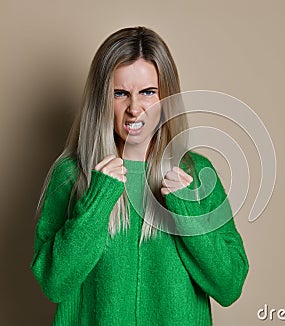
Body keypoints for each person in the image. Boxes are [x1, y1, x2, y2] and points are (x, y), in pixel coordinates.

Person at [30, 26, 249, 325]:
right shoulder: (72, 176)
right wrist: (97, 199)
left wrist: (187, 210)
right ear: (101, 99)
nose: (135, 108)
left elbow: (229, 286)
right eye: (120, 94)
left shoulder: (197, 175)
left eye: (148, 92)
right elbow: (54, 283)